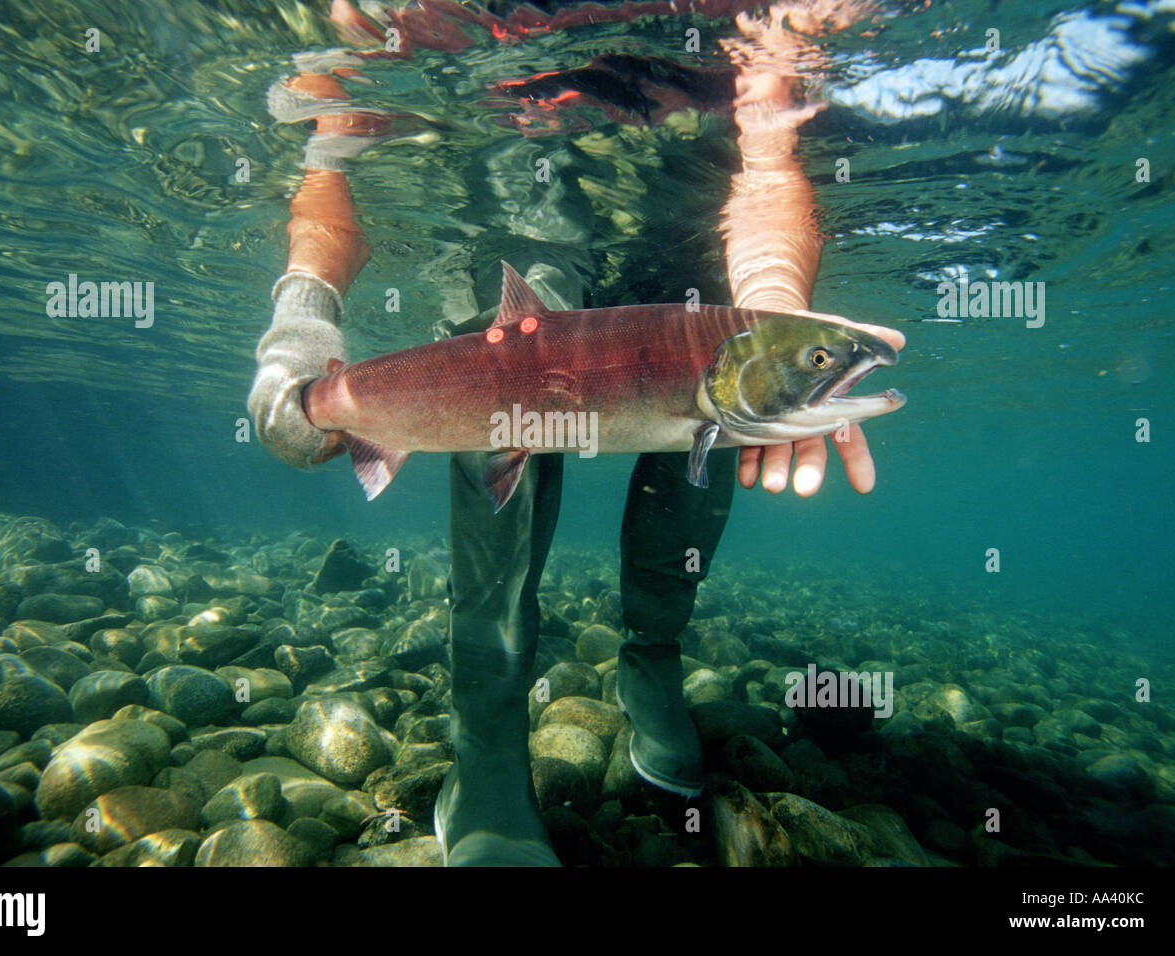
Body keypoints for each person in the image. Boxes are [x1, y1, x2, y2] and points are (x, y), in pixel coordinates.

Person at [248, 0, 905, 866]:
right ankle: (486, 735)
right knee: (526, 347)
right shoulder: (396, 7)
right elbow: (327, 149)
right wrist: (301, 321)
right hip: (516, 206)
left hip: (695, 222)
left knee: (720, 419)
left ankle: (652, 658)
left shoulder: (787, 9)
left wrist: (774, 316)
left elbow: (771, 158)